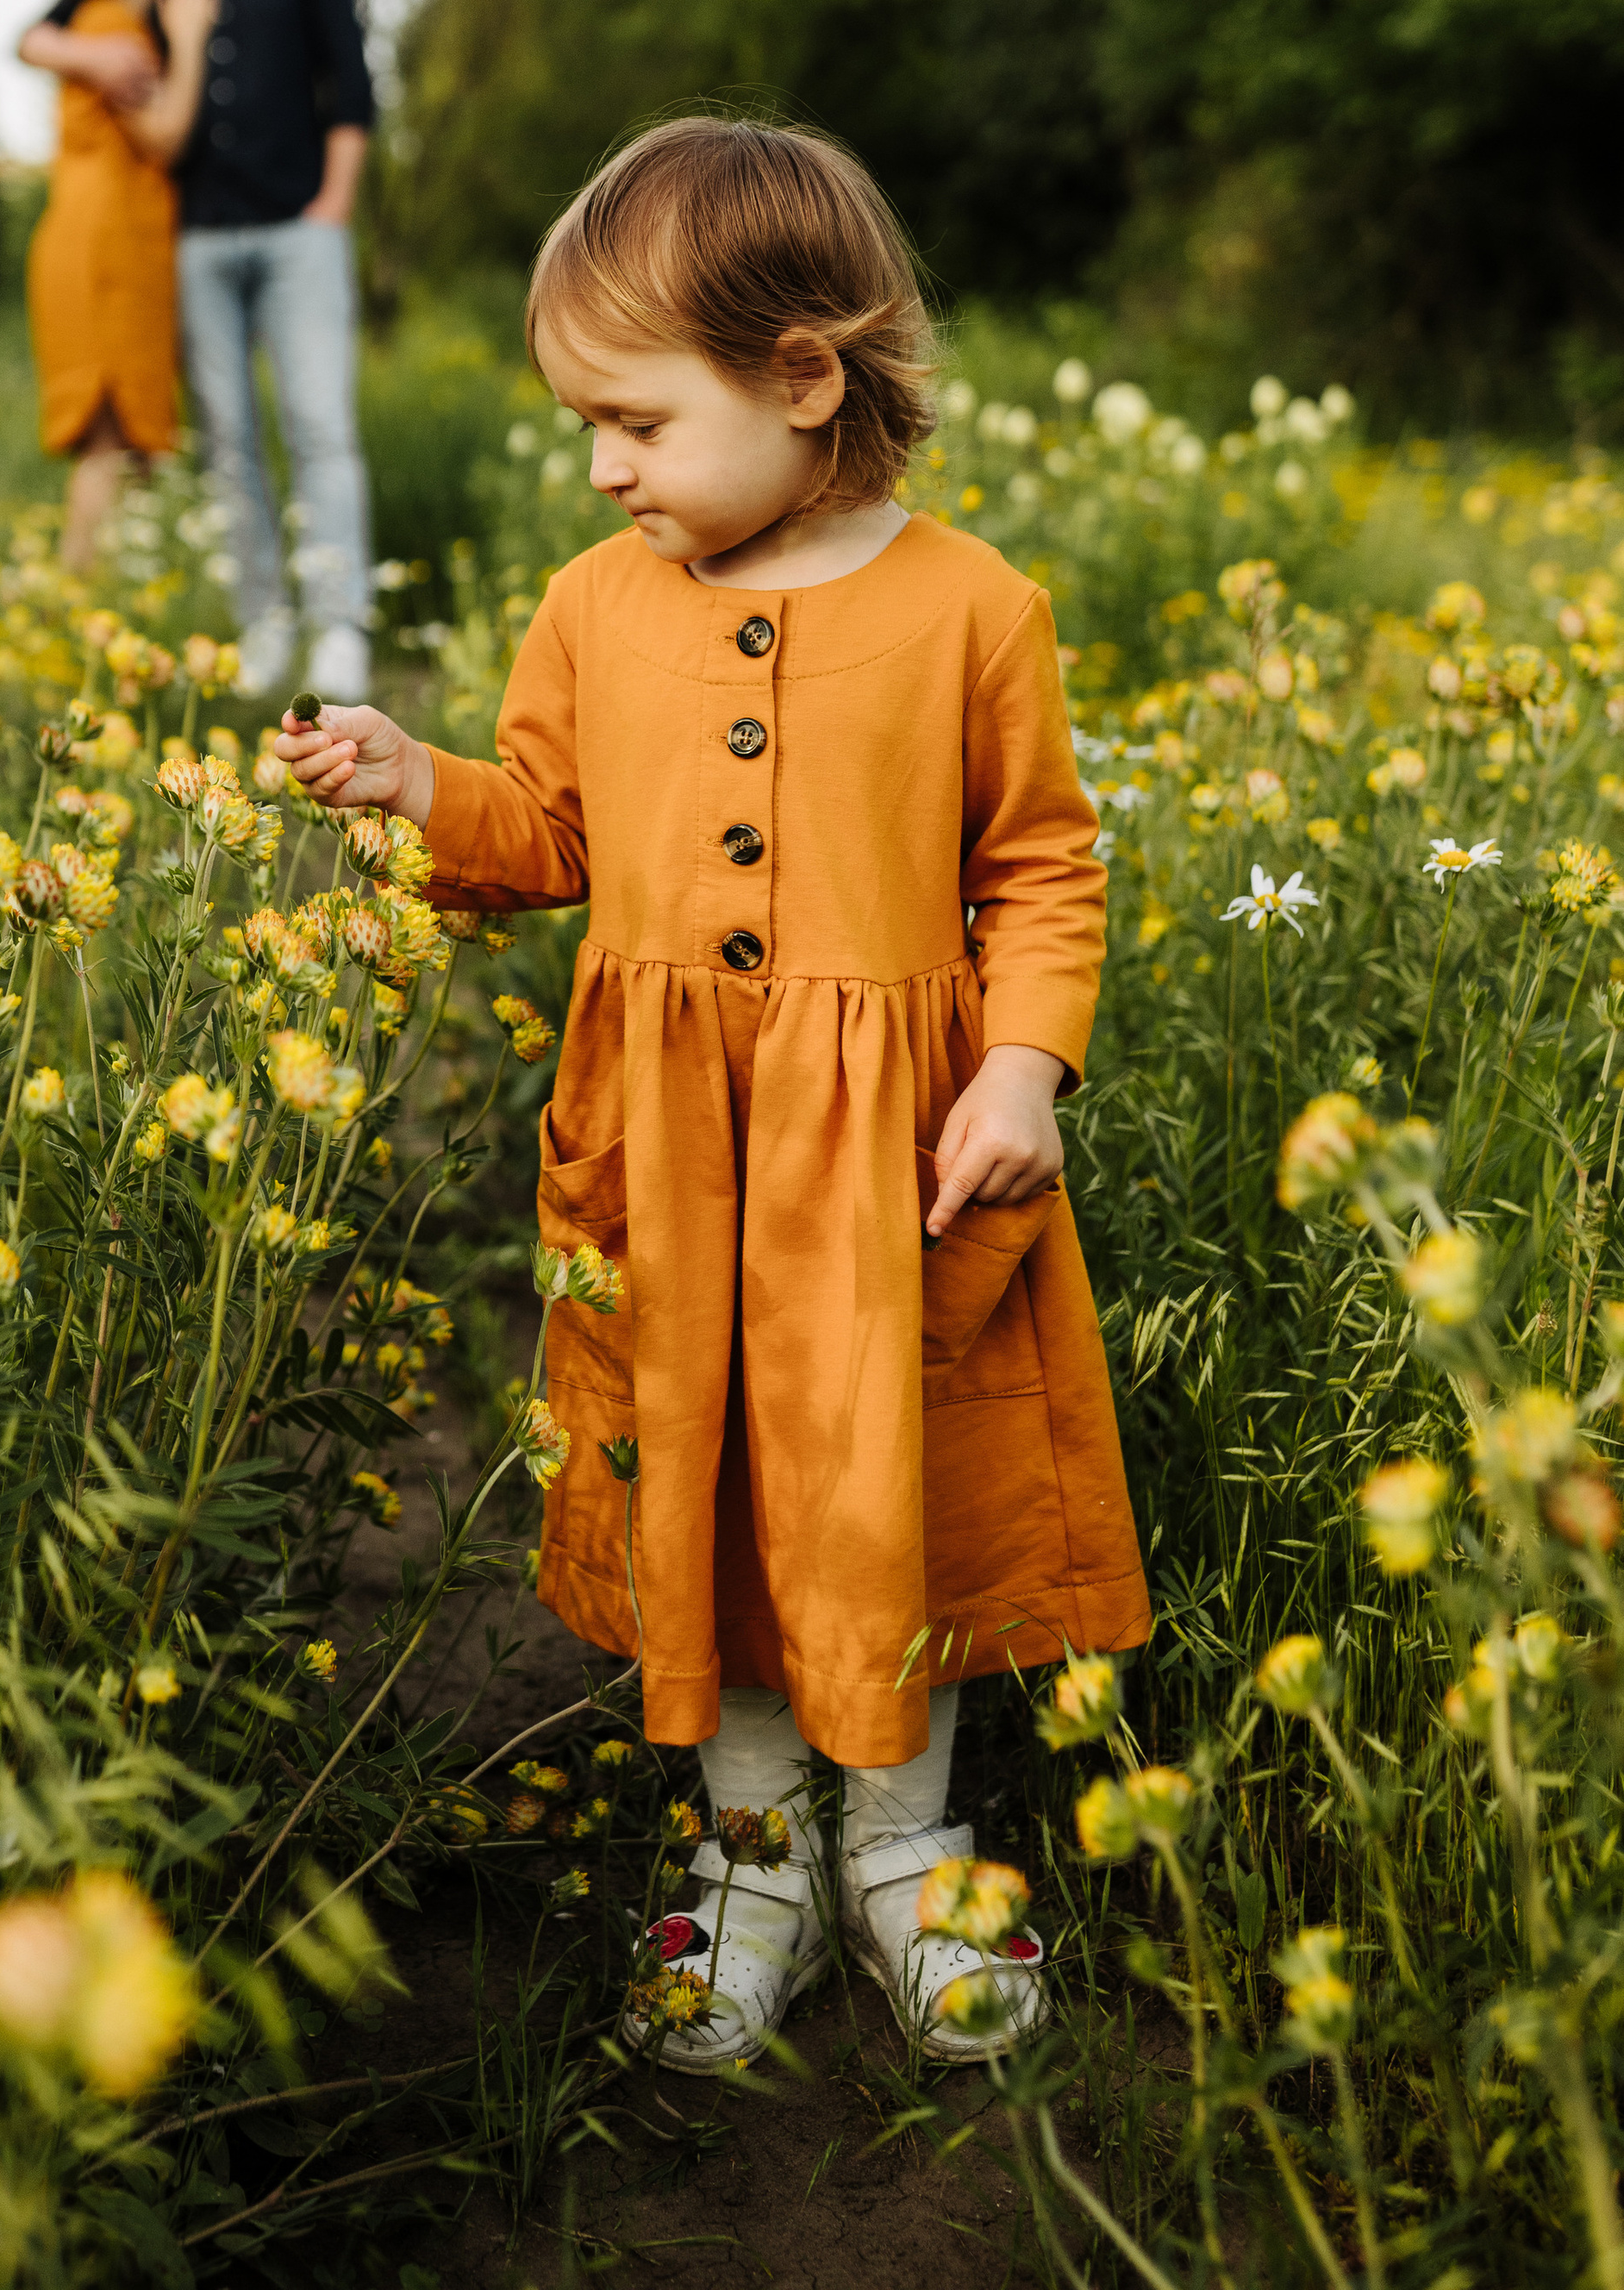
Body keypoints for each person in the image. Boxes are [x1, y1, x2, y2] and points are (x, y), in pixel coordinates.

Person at [277, 117, 1149, 2072]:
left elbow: (1038, 867)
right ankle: (751, 1844)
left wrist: (1022, 1059)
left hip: (890, 1162)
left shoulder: (969, 609)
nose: (598, 463)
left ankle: (907, 1850)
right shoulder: (595, 603)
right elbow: (547, 830)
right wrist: (422, 785)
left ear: (800, 377)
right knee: (719, 1488)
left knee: (881, 1486)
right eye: (585, 421)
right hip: (669, 1157)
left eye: (633, 418)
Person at [21, 0, 376, 698]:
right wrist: (85, 51)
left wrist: (333, 205)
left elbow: (352, 86)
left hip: (300, 230)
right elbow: (35, 35)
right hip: (196, 244)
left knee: (321, 426)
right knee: (228, 444)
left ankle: (339, 627)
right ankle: (262, 626)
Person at [26, 0, 214, 574]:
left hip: (104, 244)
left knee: (130, 444)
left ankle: (112, 599)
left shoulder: (98, 26)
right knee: (106, 442)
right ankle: (77, 603)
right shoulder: (112, 28)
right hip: (103, 252)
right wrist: (190, 38)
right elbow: (162, 136)